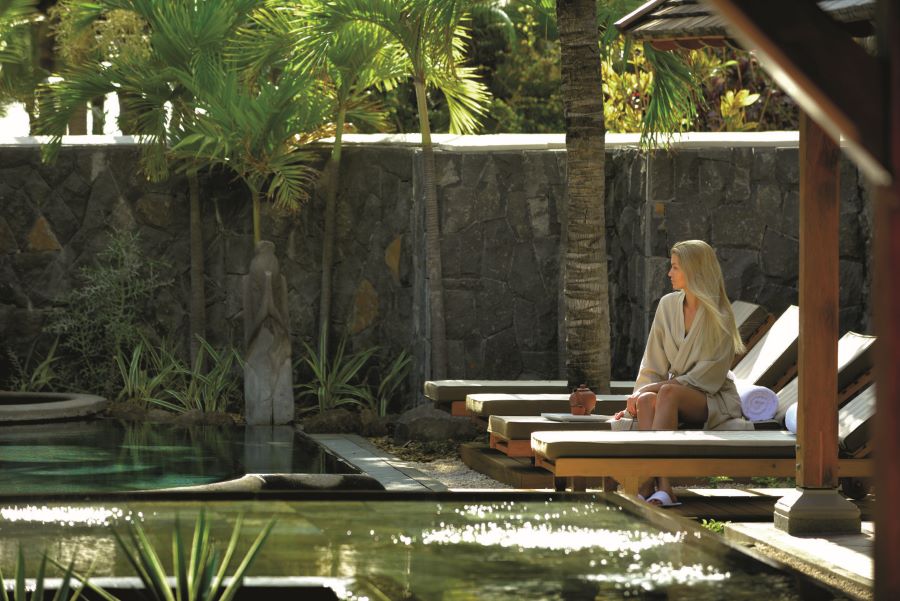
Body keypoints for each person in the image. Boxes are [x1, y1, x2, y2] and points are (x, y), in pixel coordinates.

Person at [614, 240, 745, 505]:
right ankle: (664, 486)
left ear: (694, 271)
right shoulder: (667, 306)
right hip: (669, 394)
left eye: (675, 267)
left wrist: (654, 388)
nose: (669, 273)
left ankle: (646, 481)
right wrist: (639, 395)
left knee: (667, 392)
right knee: (647, 400)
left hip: (710, 398)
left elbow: (708, 377)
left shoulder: (720, 316)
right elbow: (653, 362)